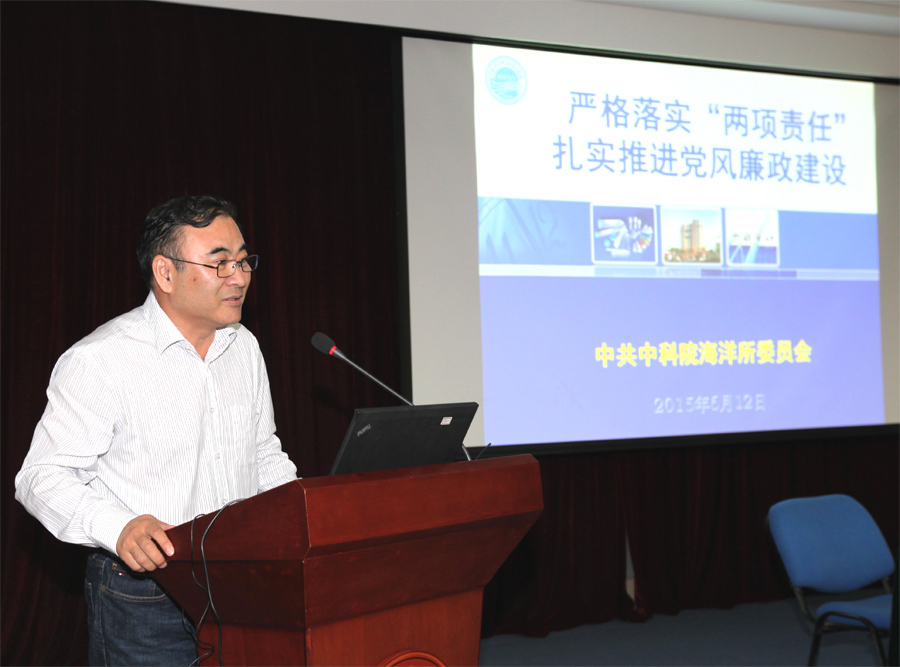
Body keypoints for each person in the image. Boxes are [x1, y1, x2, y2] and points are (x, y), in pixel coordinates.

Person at [15, 195, 298, 666]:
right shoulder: (100, 359)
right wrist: (120, 527)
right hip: (144, 595)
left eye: (244, 260)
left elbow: (263, 453)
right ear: (165, 273)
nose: (240, 276)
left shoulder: (243, 347)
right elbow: (41, 477)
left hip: (240, 580)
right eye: (220, 263)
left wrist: (303, 516)